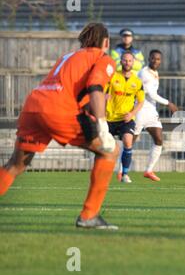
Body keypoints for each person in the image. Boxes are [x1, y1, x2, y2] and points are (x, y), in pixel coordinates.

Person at [0, 23, 120, 229]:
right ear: (106, 42)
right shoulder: (103, 58)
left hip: (33, 105)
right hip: (57, 109)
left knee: (16, 165)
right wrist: (103, 126)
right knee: (110, 151)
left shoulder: (69, 56)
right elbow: (95, 87)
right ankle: (89, 215)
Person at [134, 49, 178, 181]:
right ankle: (121, 170)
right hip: (140, 110)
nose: (156, 61)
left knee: (159, 139)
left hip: (151, 111)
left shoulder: (154, 73)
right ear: (149, 58)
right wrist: (168, 103)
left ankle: (149, 170)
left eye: (158, 59)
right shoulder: (144, 73)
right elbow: (151, 94)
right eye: (153, 58)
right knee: (130, 141)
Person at [106, 51, 145, 183]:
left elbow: (141, 101)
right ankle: (102, 173)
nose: (127, 63)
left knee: (128, 142)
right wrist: (104, 97)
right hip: (109, 118)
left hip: (126, 119)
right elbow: (102, 91)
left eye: (129, 61)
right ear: (121, 61)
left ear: (133, 63)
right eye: (125, 60)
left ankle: (125, 174)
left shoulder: (137, 82)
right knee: (106, 149)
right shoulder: (112, 77)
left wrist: (132, 114)